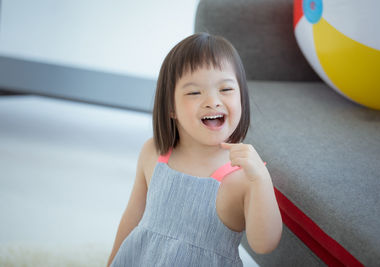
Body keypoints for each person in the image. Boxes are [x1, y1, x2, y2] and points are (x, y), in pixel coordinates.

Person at [107, 32, 282, 267]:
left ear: (242, 97)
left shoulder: (243, 176)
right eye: (194, 92)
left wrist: (261, 179)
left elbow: (265, 244)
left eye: (226, 90)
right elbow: (131, 219)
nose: (213, 101)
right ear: (171, 107)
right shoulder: (154, 153)